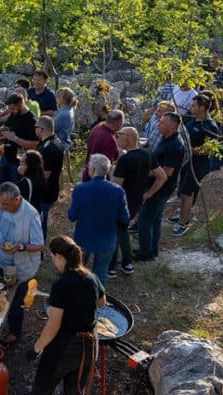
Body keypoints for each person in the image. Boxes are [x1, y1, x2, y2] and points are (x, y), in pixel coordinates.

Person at [12, 235, 104, 395]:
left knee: (42, 388)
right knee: (76, 389)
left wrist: (36, 348)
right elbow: (102, 301)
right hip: (89, 345)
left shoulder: (61, 285)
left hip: (65, 347)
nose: (53, 260)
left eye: (53, 256)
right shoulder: (91, 277)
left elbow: (53, 326)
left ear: (60, 257)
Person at [0, 182, 45, 345]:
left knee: (16, 301)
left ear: (17, 199)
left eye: (6, 204)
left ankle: (14, 332)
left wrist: (20, 247)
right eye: (1, 203)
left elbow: (40, 245)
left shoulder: (30, 215)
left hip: (18, 268)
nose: (2, 207)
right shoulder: (1, 207)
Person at [67, 154, 129, 286]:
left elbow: (72, 216)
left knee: (78, 269)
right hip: (107, 239)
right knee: (101, 271)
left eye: (89, 166)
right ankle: (97, 296)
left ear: (93, 169)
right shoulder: (118, 191)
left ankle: (77, 293)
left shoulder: (80, 189)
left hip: (83, 238)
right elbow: (125, 218)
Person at [110, 127, 162, 277]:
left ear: (128, 137)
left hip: (121, 203)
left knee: (114, 232)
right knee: (123, 230)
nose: (117, 138)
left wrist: (111, 170)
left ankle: (111, 268)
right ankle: (127, 264)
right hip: (136, 202)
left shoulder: (125, 159)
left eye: (119, 135)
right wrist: (148, 194)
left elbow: (115, 187)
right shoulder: (148, 154)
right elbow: (162, 176)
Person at [136, 113, 186, 261]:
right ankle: (151, 250)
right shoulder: (167, 139)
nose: (159, 125)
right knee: (155, 219)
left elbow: (167, 172)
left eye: (162, 123)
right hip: (160, 187)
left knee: (144, 220)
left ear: (171, 127)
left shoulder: (174, 145)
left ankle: (145, 253)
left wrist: (144, 174)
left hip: (160, 188)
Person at [173, 94, 222, 236]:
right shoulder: (192, 120)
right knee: (182, 190)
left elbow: (209, 150)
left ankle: (183, 223)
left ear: (202, 108)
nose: (190, 107)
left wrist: (189, 149)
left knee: (187, 192)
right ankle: (183, 214)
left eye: (193, 105)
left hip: (198, 165)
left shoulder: (210, 126)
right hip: (186, 162)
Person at [0, 94, 38, 184]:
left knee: (16, 188)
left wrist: (15, 138)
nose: (10, 111)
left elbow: (34, 144)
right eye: (9, 108)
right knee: (1, 186)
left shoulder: (31, 120)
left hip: (19, 162)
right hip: (6, 156)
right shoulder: (14, 113)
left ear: (21, 105)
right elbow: (8, 126)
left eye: (12, 108)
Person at [33, 117, 62, 240]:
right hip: (47, 190)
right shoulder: (47, 142)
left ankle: (39, 245)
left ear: (42, 129)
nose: (35, 129)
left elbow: (46, 174)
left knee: (40, 222)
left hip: (46, 192)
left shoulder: (50, 148)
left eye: (36, 127)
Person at [82, 110, 123, 182]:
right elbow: (107, 164)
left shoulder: (96, 128)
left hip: (88, 172)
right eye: (122, 123)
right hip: (98, 179)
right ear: (118, 122)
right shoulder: (109, 139)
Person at [53, 88, 77, 152]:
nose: (56, 97)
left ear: (63, 99)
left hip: (58, 145)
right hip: (65, 143)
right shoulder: (69, 109)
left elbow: (51, 129)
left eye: (58, 96)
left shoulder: (63, 114)